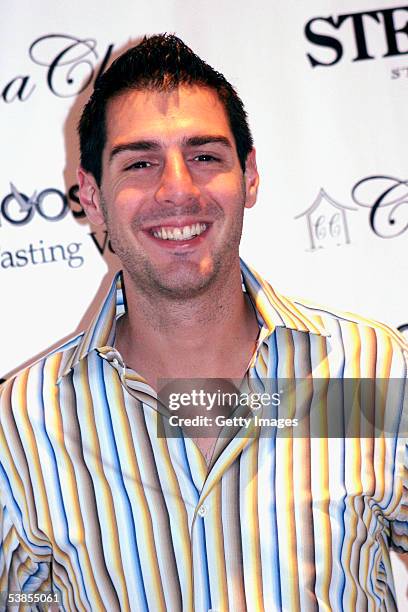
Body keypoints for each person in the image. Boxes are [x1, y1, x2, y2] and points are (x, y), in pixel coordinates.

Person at [0, 34, 406, 612]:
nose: (178, 190)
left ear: (250, 175)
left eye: (205, 156)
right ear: (91, 196)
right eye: (140, 163)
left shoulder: (367, 371)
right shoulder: (23, 426)